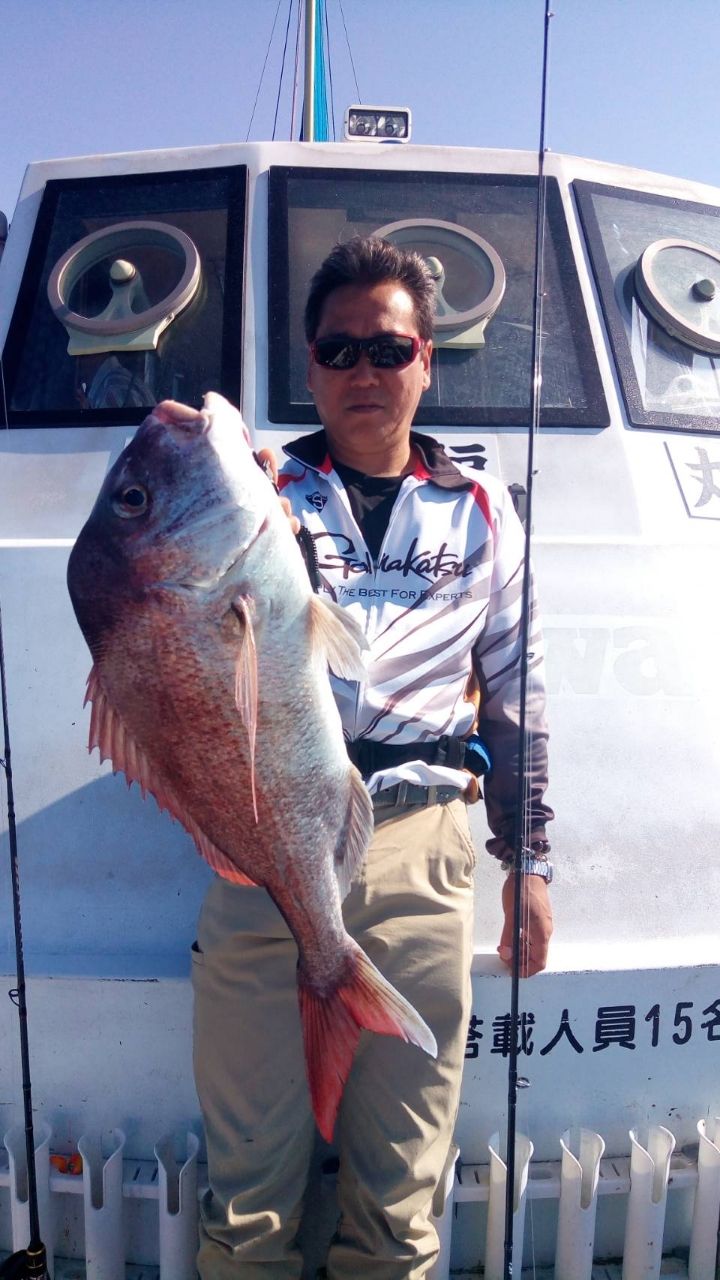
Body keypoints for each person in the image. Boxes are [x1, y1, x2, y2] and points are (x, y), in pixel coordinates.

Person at [192, 235, 553, 1278]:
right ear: (308, 367)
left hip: (424, 851)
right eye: (339, 349)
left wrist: (527, 861)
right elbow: (154, 619)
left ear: (426, 360)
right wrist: (229, 488)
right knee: (251, 1206)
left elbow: (523, 693)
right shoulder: (256, 496)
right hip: (263, 849)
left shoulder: (485, 513)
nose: (363, 371)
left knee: (399, 1210)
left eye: (387, 349)